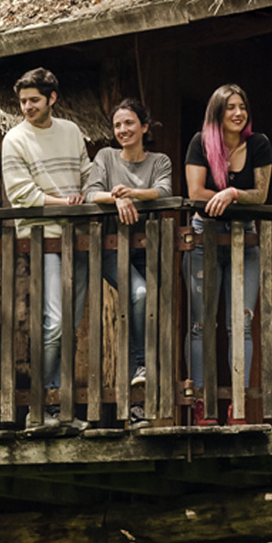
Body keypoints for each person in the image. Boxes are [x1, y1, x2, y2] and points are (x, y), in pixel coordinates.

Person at [0, 67, 91, 425]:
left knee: (71, 324)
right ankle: (38, 407)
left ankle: (59, 409)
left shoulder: (71, 131)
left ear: (52, 98)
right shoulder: (14, 139)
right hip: (42, 237)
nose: (27, 107)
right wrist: (64, 202)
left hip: (78, 235)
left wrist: (89, 195)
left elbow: (87, 174)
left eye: (34, 100)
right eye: (23, 101)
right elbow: (21, 194)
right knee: (54, 322)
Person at [184, 84, 272, 425]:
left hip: (244, 236)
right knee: (201, 325)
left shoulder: (259, 144)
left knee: (242, 323)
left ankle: (239, 404)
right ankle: (202, 403)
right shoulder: (200, 143)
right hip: (204, 235)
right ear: (217, 113)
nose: (238, 113)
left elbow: (260, 195)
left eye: (242, 107)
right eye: (230, 107)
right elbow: (196, 192)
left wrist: (232, 193)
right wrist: (224, 196)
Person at [83, 98, 173, 408]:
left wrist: (132, 193)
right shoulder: (106, 157)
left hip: (148, 249)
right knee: (139, 294)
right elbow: (89, 193)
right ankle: (141, 366)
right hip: (112, 248)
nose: (123, 129)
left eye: (129, 123)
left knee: (147, 308)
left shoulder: (159, 161)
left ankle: (140, 400)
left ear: (144, 127)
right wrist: (116, 199)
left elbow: (164, 191)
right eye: (118, 125)